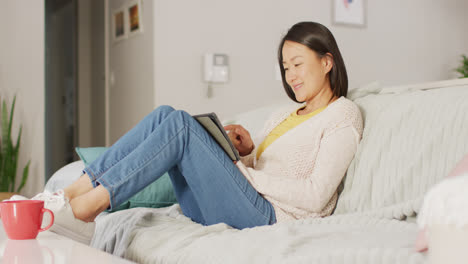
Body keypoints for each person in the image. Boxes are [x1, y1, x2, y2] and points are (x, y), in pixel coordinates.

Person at [20, 21, 363, 245]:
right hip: (240, 200)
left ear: (327, 62)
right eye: (286, 68)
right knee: (165, 116)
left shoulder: (343, 114)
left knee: (181, 125)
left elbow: (317, 195)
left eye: (298, 64)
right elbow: (268, 167)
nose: (291, 76)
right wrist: (246, 153)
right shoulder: (283, 114)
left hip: (268, 216)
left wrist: (244, 175)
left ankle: (86, 212)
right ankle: (70, 194)